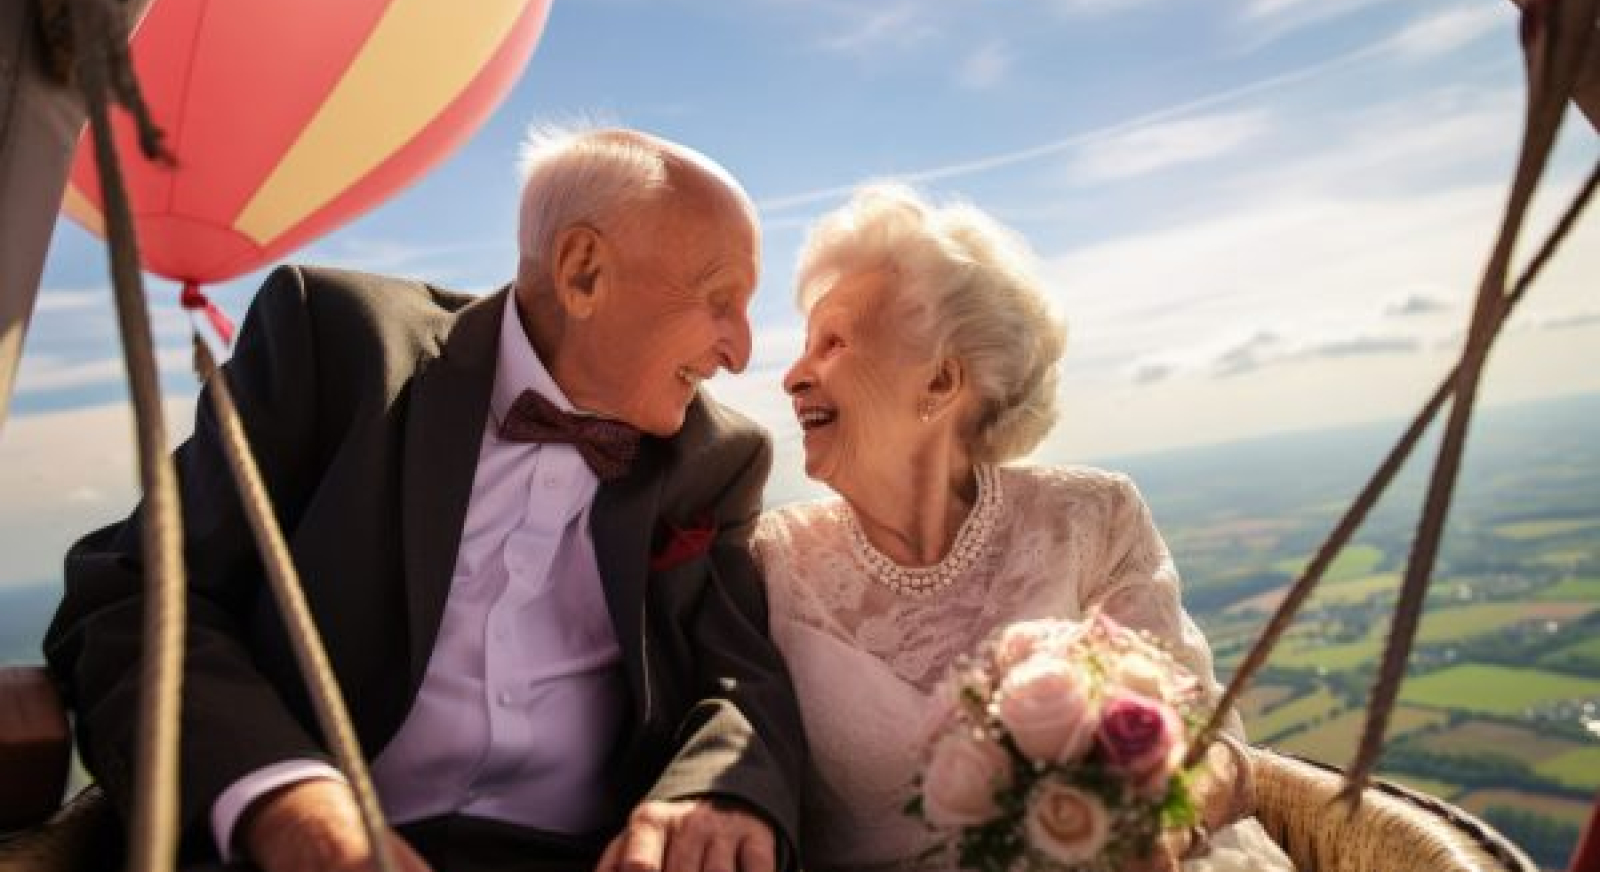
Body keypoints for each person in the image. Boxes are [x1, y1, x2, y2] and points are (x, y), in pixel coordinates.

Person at [45, 127, 807, 872]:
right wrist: (290, 802)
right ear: (582, 272)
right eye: (720, 300)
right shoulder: (336, 343)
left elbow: (740, 679)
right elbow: (130, 593)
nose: (740, 352)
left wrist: (720, 788)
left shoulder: (720, 459)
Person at [753, 183, 1294, 872]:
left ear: (942, 383)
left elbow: (1213, 748)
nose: (793, 378)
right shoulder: (771, 561)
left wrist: (1151, 829)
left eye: (832, 343)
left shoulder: (1092, 518)